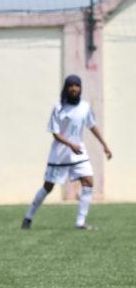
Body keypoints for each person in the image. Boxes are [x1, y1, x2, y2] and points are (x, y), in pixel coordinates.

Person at [21, 74, 112, 230]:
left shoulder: (85, 107)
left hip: (78, 153)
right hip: (60, 154)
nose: (74, 88)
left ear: (80, 88)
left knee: (89, 182)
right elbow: (55, 133)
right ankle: (28, 217)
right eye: (70, 85)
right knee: (48, 187)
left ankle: (80, 222)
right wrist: (70, 144)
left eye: (76, 85)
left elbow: (92, 126)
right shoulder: (58, 107)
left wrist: (104, 145)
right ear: (66, 88)